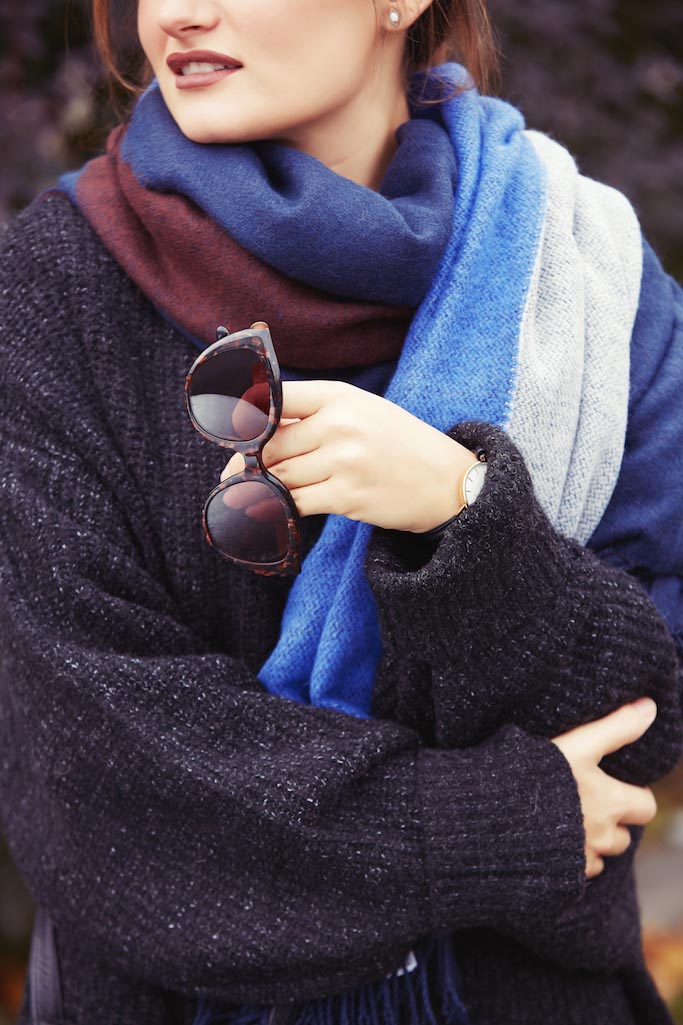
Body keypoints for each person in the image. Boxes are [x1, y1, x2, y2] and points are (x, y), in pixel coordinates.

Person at [0, 1, 682, 1024]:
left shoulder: (587, 271)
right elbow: (97, 786)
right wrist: (495, 820)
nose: (178, 12)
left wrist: (459, 512)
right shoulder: (54, 291)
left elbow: (642, 719)